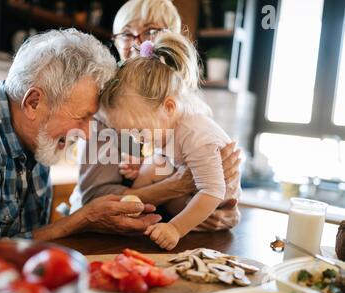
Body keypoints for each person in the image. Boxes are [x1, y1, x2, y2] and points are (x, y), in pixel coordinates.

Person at [0, 29, 161, 253]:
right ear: (33, 103)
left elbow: (27, 239)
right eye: (82, 117)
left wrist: (86, 220)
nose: (87, 133)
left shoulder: (37, 138)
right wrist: (82, 219)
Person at [71, 0, 241, 232]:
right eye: (126, 34)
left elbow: (212, 190)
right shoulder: (107, 107)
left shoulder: (187, 111)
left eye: (151, 31)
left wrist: (221, 210)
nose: (138, 43)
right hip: (107, 232)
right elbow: (94, 198)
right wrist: (179, 184)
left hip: (159, 229)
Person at [99, 33, 241, 251]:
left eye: (138, 131)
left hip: (213, 206)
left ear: (169, 107)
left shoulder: (197, 135)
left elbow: (211, 191)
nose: (135, 139)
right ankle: (136, 212)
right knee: (150, 166)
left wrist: (175, 228)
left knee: (158, 173)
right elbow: (169, 158)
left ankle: (146, 215)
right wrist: (144, 165)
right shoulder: (168, 123)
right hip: (190, 189)